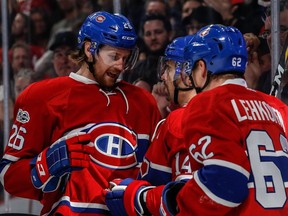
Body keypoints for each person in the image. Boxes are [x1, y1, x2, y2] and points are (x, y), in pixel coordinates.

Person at [0, 11, 161, 215]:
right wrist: (45, 164)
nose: (120, 66)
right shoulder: (40, 97)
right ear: (89, 49)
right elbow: (9, 176)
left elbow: (158, 173)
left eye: (126, 58)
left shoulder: (143, 102)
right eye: (114, 56)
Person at [160, 24, 288, 215]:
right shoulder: (276, 107)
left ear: (202, 68)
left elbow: (227, 179)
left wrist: (179, 206)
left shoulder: (207, 103)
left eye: (191, 69)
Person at [104, 35, 195, 216]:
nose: (162, 76)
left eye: (168, 68)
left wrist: (133, 194)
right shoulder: (251, 107)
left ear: (187, 73)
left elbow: (179, 194)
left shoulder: (180, 120)